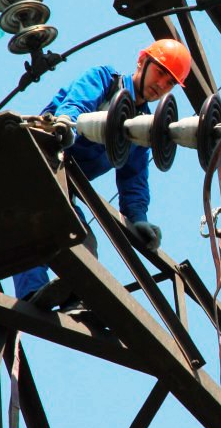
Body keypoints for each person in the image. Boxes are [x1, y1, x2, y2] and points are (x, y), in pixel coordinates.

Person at [14, 39, 192, 306]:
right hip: (36, 162)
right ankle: (31, 295)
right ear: (142, 62)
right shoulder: (106, 80)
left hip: (63, 185)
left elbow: (133, 180)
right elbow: (77, 105)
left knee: (84, 243)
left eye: (169, 83)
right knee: (33, 222)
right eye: (160, 73)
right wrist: (66, 125)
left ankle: (76, 303)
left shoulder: (142, 128)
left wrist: (138, 218)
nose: (161, 85)